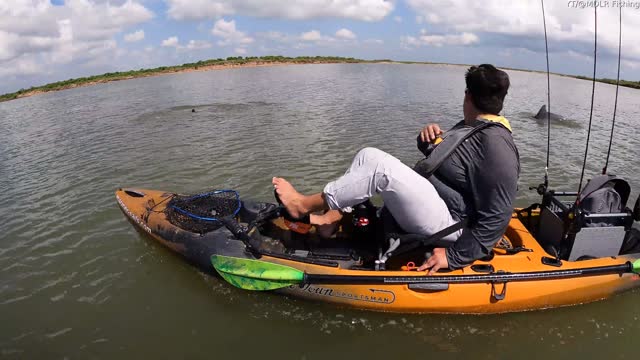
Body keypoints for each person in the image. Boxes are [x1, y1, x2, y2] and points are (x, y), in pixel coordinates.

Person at [273, 64, 520, 274]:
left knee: (382, 171)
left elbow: (498, 214)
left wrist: (454, 257)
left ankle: (303, 205)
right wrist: (426, 143)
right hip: (440, 205)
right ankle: (330, 219)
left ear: (467, 96)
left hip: (454, 224)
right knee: (367, 155)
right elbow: (454, 166)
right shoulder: (473, 126)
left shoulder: (496, 144)